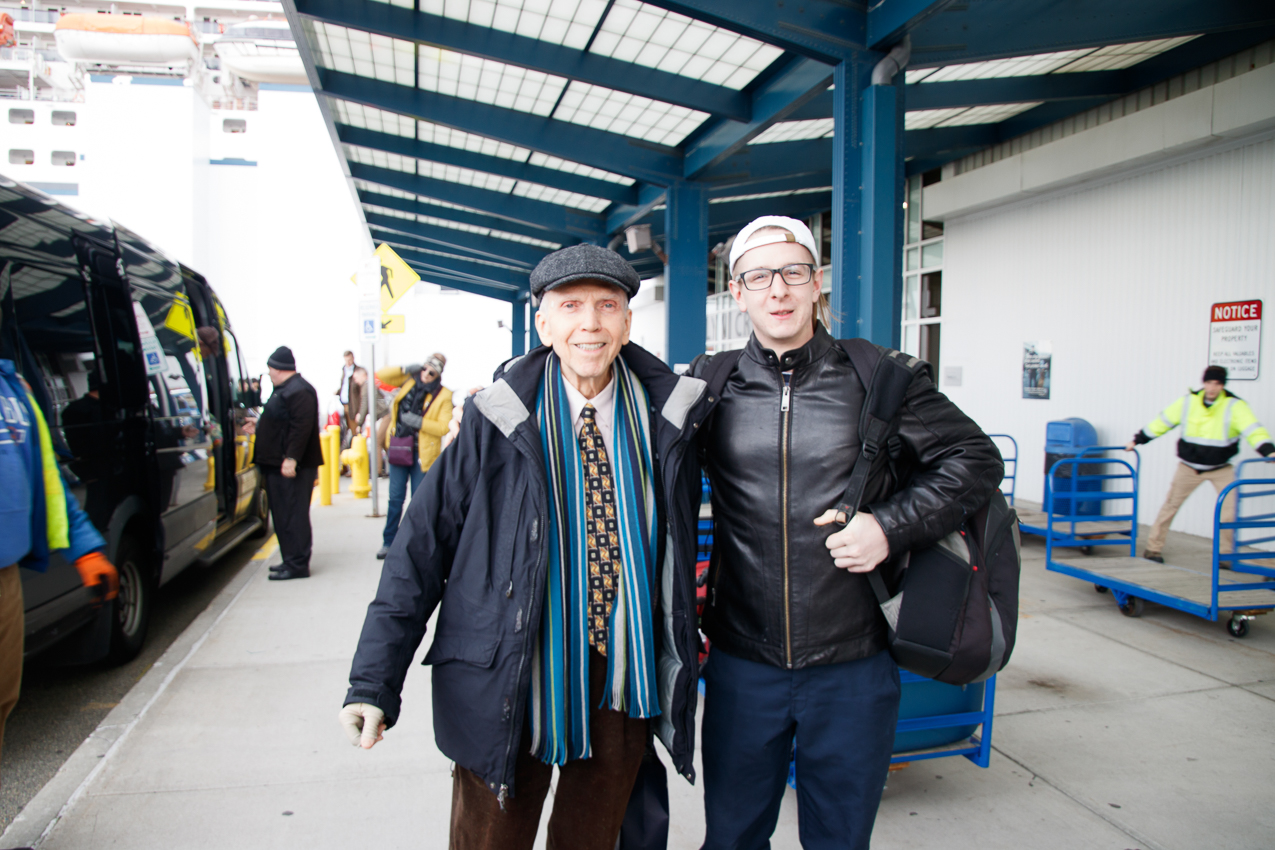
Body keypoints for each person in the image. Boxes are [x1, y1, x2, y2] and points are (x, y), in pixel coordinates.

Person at [339, 245, 714, 850]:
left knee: (591, 841)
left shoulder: (669, 419)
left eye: (606, 306)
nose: (589, 323)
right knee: (491, 840)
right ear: (543, 324)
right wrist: (374, 682)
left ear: (626, 323)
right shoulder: (494, 420)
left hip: (623, 680)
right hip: (509, 675)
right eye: (570, 307)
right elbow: (419, 550)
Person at [688, 216, 1003, 850]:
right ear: (738, 292)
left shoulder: (880, 377)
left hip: (854, 663)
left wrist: (889, 526)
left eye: (793, 272)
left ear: (816, 283)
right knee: (731, 837)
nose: (778, 289)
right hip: (743, 664)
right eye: (759, 276)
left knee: (840, 839)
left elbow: (975, 459)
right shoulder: (711, 384)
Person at [1, 356, 118, 769]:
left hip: (5, 573)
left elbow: (46, 477)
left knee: (3, 697)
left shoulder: (13, 388)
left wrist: (84, 547)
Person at [1126, 365, 1274, 563]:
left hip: (1220, 469)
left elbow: (1253, 430)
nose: (1212, 388)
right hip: (1188, 468)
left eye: (1217, 384)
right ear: (1203, 383)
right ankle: (1153, 549)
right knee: (1170, 507)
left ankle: (1226, 555)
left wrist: (1268, 451)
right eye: (1209, 383)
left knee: (1229, 512)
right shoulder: (1188, 402)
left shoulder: (1235, 406)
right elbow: (1162, 422)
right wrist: (1137, 440)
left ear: (1223, 385)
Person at [252, 346, 323, 580]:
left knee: (293, 514)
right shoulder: (285, 390)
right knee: (282, 514)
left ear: (279, 368)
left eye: (270, 368)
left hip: (292, 467)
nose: (268, 373)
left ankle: (298, 564)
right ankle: (289, 559)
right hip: (278, 465)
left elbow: (301, 427)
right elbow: (281, 422)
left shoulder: (299, 391)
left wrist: (292, 458)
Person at [373, 354, 453, 559]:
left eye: (431, 373)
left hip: (422, 455)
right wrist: (404, 368)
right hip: (400, 448)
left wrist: (419, 422)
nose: (426, 374)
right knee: (395, 499)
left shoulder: (443, 395)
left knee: (418, 502)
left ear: (438, 375)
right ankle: (389, 542)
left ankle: (415, 544)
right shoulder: (409, 381)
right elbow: (381, 376)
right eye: (424, 369)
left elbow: (444, 427)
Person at [336, 350, 358, 430]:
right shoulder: (344, 370)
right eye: (346, 360)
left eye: (349, 360)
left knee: (353, 427)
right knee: (343, 427)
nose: (348, 362)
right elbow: (344, 385)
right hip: (342, 403)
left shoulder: (357, 371)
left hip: (352, 404)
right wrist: (338, 392)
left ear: (353, 358)